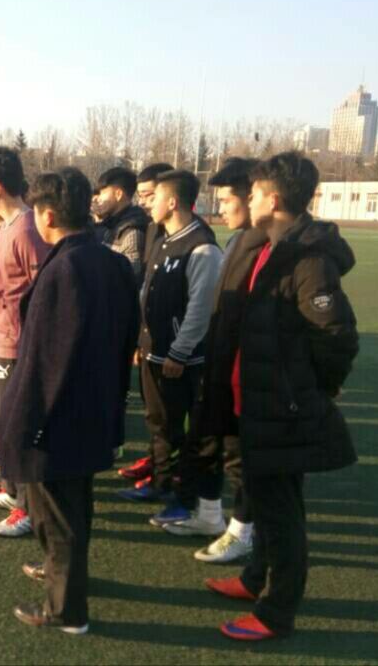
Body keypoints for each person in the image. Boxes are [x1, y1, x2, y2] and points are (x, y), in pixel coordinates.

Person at [208, 152, 358, 641]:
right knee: (262, 497)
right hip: (256, 404)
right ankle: (256, 579)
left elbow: (336, 335)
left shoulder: (308, 261)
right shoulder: (271, 248)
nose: (247, 200)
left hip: (283, 409)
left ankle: (276, 612)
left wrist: (313, 388)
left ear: (273, 200)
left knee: (281, 513)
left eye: (253, 193)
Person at [0, 169, 138, 635]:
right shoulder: (112, 262)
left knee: (57, 515)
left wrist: (27, 423)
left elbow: (46, 360)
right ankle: (65, 576)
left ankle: (66, 610)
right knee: (72, 508)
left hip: (58, 417)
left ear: (47, 214)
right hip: (95, 407)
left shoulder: (64, 269)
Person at [157, 158, 261, 566]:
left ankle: (244, 533)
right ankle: (209, 514)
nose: (221, 208)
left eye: (227, 200)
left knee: (240, 455)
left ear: (253, 198)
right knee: (207, 440)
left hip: (244, 371)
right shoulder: (238, 242)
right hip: (221, 365)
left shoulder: (265, 247)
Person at [120, 170, 223, 505]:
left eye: (155, 198)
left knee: (173, 423)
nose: (147, 204)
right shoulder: (164, 239)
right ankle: (161, 477)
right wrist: (141, 339)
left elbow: (201, 308)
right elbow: (147, 294)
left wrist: (180, 352)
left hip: (179, 358)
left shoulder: (202, 248)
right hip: (154, 350)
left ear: (173, 202)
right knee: (158, 419)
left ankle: (171, 484)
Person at [0, 146, 50, 538]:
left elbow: (43, 290)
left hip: (19, 348)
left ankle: (27, 508)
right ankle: (13, 491)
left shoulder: (25, 229)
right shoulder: (6, 227)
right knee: (4, 424)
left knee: (19, 429)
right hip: (0, 342)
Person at [118, 161, 174, 483]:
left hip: (174, 343)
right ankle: (155, 458)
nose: (144, 202)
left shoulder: (194, 239)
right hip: (149, 334)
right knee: (153, 408)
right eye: (141, 196)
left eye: (150, 195)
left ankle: (166, 471)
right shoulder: (153, 229)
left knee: (168, 411)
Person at [92, 167, 149, 283]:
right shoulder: (111, 225)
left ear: (118, 194)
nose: (99, 199)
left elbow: (131, 275)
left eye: (103, 193)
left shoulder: (131, 231)